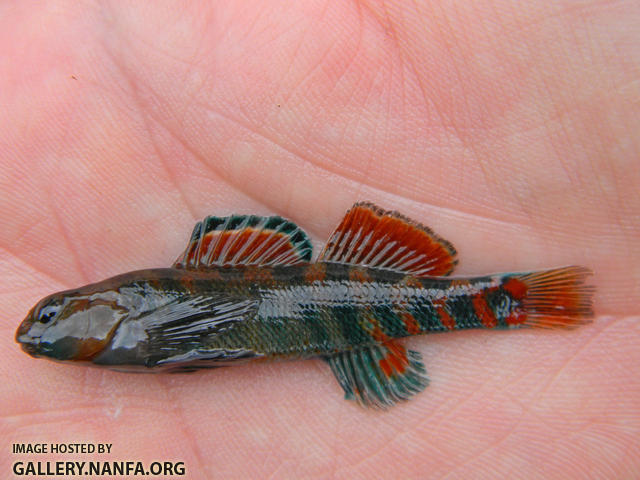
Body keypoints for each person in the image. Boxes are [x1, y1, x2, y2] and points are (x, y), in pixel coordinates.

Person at [2, 2, 638, 478]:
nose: (44, 330)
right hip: (326, 297)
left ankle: (512, 300)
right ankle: (513, 302)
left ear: (100, 302)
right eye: (52, 327)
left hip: (342, 286)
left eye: (53, 314)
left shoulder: (137, 323)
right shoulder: (134, 335)